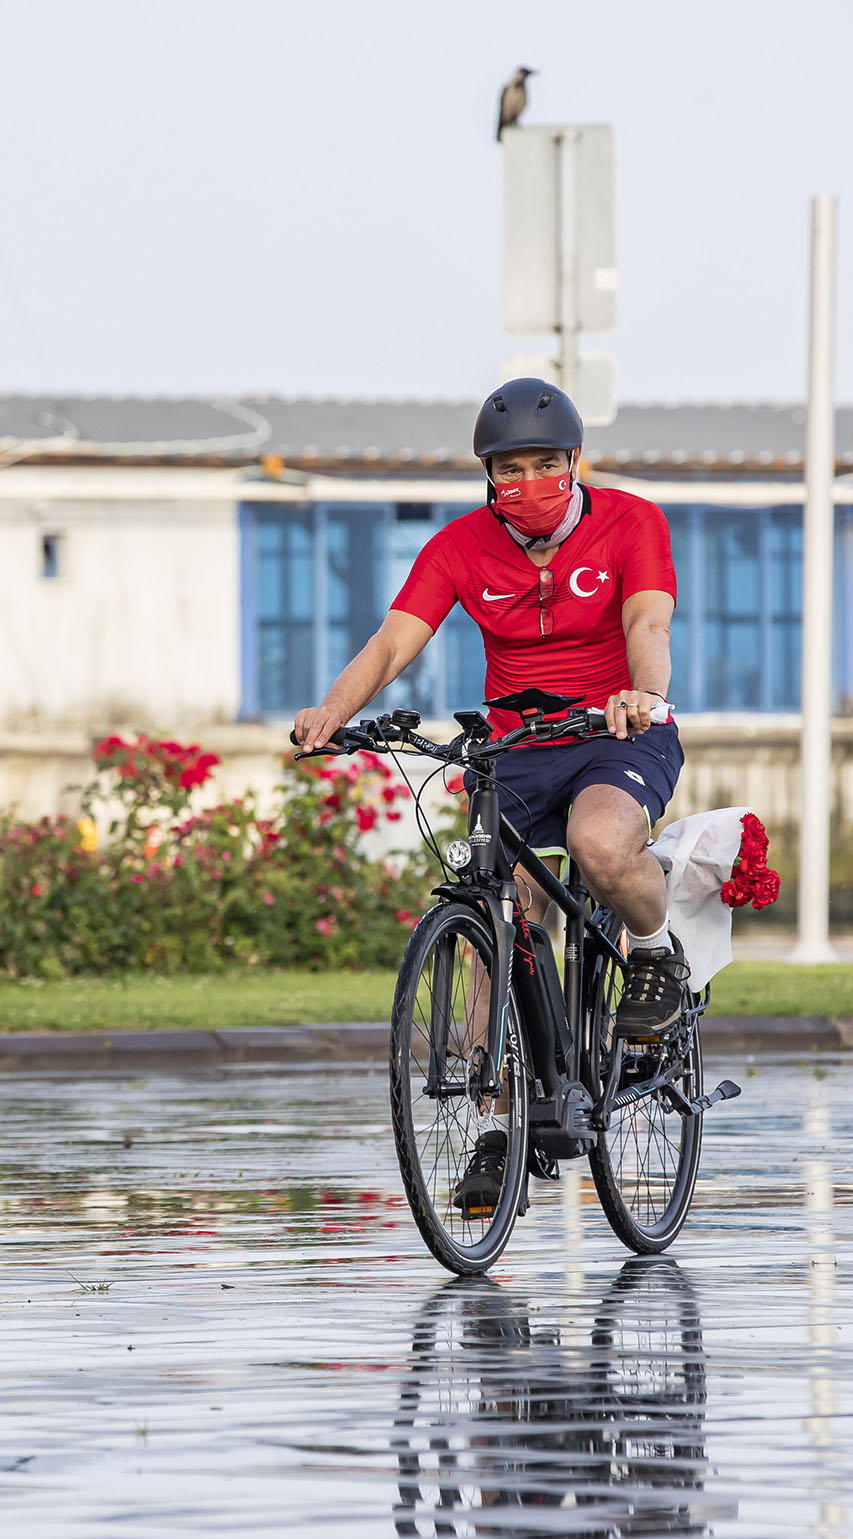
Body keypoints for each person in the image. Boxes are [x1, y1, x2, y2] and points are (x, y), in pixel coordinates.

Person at [291, 376, 688, 1045]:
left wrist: (644, 695)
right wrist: (334, 708)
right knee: (500, 919)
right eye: (510, 469)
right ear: (488, 474)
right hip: (514, 748)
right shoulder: (458, 546)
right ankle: (499, 1123)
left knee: (598, 844)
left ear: (574, 460)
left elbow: (649, 623)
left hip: (615, 729)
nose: (528, 480)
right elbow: (392, 643)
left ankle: (653, 950)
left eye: (544, 465)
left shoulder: (630, 520)